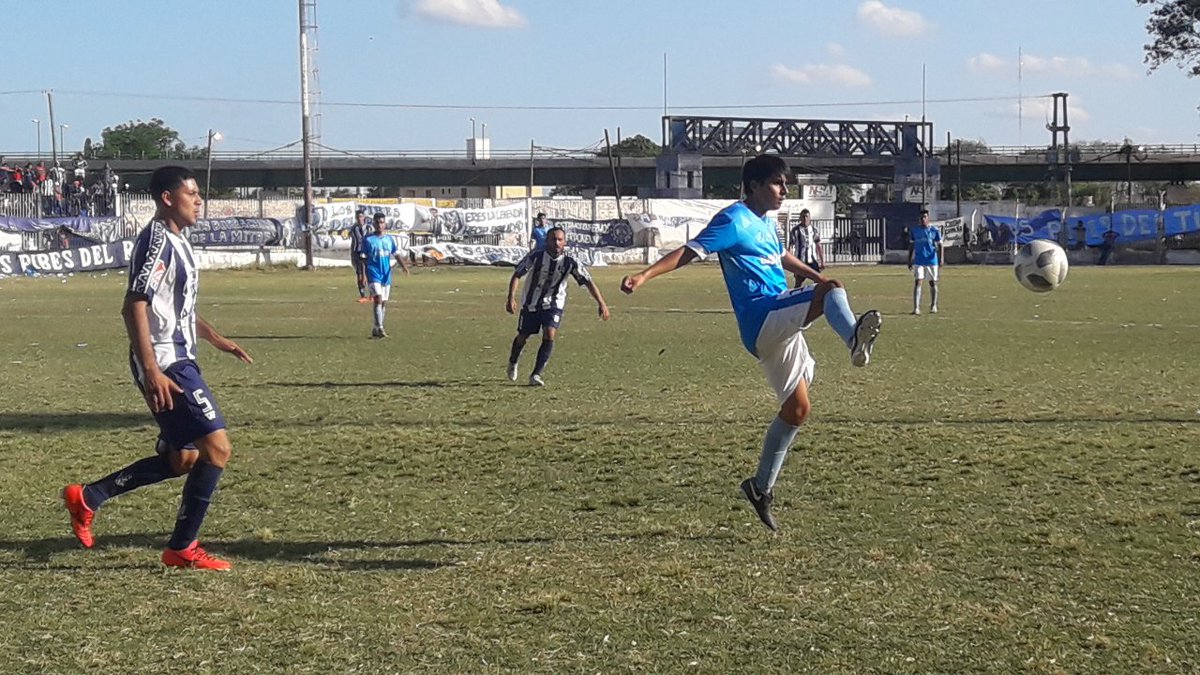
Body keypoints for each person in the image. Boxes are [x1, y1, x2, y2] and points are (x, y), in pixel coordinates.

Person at [619, 154, 882, 531]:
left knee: (797, 410)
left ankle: (760, 488)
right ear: (755, 185)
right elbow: (690, 251)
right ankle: (854, 337)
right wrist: (644, 276)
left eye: (785, 183)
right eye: (778, 183)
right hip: (763, 315)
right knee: (832, 292)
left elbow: (781, 256)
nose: (784, 190)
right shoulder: (733, 219)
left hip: (777, 326)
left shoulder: (766, 222)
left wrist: (814, 275)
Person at [61, 166, 253, 570]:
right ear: (168, 198)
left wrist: (216, 338)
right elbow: (135, 304)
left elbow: (176, 306)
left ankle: (89, 497)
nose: (199, 201)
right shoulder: (156, 240)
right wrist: (151, 370)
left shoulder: (179, 240)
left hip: (179, 355)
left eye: (199, 194)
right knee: (217, 449)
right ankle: (182, 548)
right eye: (191, 194)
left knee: (184, 459)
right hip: (166, 360)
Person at [506, 226, 610, 386]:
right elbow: (517, 274)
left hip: (554, 303)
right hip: (532, 302)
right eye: (553, 239)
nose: (556, 243)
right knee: (523, 336)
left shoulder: (570, 261)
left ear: (565, 242)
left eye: (560, 240)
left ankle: (536, 375)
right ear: (546, 241)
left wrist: (601, 303)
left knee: (549, 333)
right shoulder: (536, 256)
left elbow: (588, 281)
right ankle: (513, 361)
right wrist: (511, 298)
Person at [360, 212, 409, 338]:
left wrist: (403, 266)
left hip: (386, 274)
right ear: (373, 224)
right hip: (373, 273)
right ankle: (380, 328)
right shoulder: (368, 239)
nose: (379, 225)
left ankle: (376, 328)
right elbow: (363, 258)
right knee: (378, 299)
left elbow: (396, 253)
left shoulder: (389, 239)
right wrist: (363, 275)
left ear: (385, 224)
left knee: (383, 302)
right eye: (377, 222)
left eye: (381, 222)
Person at [907, 209, 943, 315]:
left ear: (928, 218)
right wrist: (909, 259)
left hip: (932, 260)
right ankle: (916, 307)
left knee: (932, 282)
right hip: (919, 260)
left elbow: (940, 245)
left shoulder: (934, 230)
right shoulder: (915, 231)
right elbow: (911, 245)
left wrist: (941, 258)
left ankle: (934, 305)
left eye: (924, 217)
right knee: (918, 281)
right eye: (921, 217)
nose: (923, 219)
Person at [788, 208, 825, 287]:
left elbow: (818, 245)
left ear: (810, 218)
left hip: (812, 260)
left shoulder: (814, 230)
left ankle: (816, 294)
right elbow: (791, 246)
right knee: (798, 283)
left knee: (818, 281)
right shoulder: (795, 231)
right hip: (800, 261)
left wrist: (822, 261)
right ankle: (796, 295)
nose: (805, 219)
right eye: (803, 217)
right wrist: (791, 262)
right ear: (800, 218)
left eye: (807, 216)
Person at [348, 209, 371, 303]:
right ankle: (362, 295)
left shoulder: (369, 228)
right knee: (360, 274)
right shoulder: (354, 228)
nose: (359, 219)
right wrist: (352, 253)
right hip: (357, 252)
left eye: (361, 217)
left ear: (364, 217)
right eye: (357, 217)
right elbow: (352, 240)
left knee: (369, 274)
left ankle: (372, 294)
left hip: (368, 253)